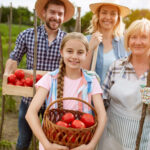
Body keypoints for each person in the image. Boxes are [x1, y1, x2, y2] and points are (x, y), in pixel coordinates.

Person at [4, 0, 75, 149]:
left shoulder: (68, 40)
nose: (56, 17)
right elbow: (14, 57)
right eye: (52, 12)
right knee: (23, 140)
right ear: (44, 13)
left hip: (54, 100)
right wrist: (7, 74)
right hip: (30, 98)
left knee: (52, 141)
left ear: (63, 17)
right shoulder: (28, 35)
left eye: (60, 14)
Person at [25, 32, 107, 150]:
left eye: (80, 52)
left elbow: (102, 115)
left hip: (80, 144)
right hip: (52, 142)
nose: (74, 56)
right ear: (61, 52)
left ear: (86, 54)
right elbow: (30, 114)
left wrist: (91, 145)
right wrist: (47, 145)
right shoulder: (50, 79)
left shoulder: (91, 81)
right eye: (69, 51)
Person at [100, 18, 150, 150]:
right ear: (128, 40)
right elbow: (103, 102)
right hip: (111, 139)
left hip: (143, 141)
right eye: (133, 37)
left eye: (144, 37)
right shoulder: (116, 66)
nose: (138, 42)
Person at [82, 0, 130, 85]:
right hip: (94, 96)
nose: (108, 17)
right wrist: (90, 49)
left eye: (113, 14)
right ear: (98, 15)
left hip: (117, 97)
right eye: (104, 13)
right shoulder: (86, 40)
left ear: (118, 18)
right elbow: (81, 73)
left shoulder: (125, 42)